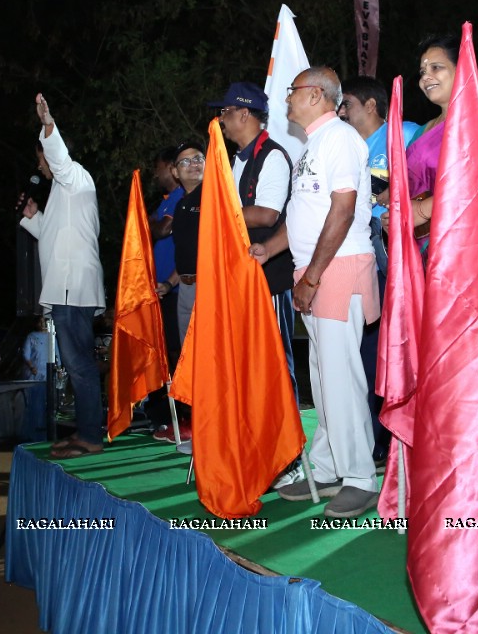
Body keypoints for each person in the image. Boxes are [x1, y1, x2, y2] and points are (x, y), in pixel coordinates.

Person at [252, 66, 381, 519]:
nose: (286, 100)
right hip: (315, 269)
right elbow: (305, 214)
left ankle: (360, 477)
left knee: (342, 378)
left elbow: (343, 211)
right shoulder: (313, 146)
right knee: (324, 378)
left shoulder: (340, 139)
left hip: (337, 268)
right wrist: (268, 249)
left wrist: (312, 277)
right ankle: (327, 467)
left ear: (316, 95)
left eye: (292, 92)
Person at [18, 94, 107, 457]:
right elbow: (55, 236)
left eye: (41, 158)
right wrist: (31, 217)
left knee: (80, 364)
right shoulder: (64, 192)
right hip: (67, 287)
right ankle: (85, 431)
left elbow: (58, 157)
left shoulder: (73, 177)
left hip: (73, 287)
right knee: (77, 364)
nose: (40, 166)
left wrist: (47, 125)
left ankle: (90, 437)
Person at [338, 76, 419, 462]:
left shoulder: (406, 132)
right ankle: (377, 434)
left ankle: (410, 428)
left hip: (404, 254)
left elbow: (431, 179)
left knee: (404, 340)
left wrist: (397, 193)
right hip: (362, 253)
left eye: (348, 104)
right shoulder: (347, 146)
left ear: (371, 105)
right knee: (370, 342)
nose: (341, 112)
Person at [210, 82, 299, 402]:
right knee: (249, 359)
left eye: (225, 112)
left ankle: (287, 445)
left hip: (270, 276)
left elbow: (267, 215)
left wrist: (218, 213)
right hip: (244, 273)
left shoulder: (272, 155)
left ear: (244, 114)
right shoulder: (238, 160)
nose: (221, 119)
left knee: (274, 356)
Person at [401, 35, 478, 250]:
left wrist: (421, 211)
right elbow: (412, 188)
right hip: (426, 246)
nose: (425, 78)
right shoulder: (423, 131)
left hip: (474, 242)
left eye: (436, 68)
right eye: (422, 72)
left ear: (463, 69)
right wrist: (398, 216)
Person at [154, 141, 207, 444]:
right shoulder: (181, 205)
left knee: (207, 357)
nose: (194, 164)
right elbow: (185, 256)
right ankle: (195, 421)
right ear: (175, 171)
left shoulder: (213, 197)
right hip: (185, 289)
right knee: (189, 360)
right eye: (185, 162)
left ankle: (211, 423)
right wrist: (170, 283)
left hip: (208, 288)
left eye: (198, 158)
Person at [142, 146, 186, 436]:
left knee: (178, 352)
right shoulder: (166, 201)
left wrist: (144, 221)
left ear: (171, 167)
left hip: (179, 289)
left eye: (158, 167)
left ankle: (183, 416)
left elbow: (162, 231)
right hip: (163, 290)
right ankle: (165, 414)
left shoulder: (182, 197)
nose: (155, 174)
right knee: (165, 353)